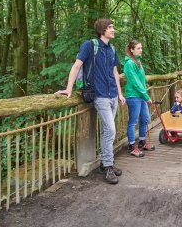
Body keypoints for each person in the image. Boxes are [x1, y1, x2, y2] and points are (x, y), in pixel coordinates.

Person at [55, 19, 125, 184]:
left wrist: (120, 93)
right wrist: (69, 88)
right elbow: (77, 66)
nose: (113, 30)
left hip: (113, 95)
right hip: (99, 96)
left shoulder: (112, 48)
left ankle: (106, 162)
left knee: (107, 131)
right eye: (110, 27)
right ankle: (107, 166)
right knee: (111, 130)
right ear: (102, 30)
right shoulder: (89, 45)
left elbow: (115, 72)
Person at [124, 40, 155, 158]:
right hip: (133, 95)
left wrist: (144, 94)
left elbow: (141, 80)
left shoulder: (138, 62)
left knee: (145, 118)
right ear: (132, 50)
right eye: (138, 48)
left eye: (141, 48)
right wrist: (146, 96)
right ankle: (132, 146)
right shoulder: (129, 64)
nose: (141, 50)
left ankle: (142, 141)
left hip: (141, 95)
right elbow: (135, 83)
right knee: (133, 121)